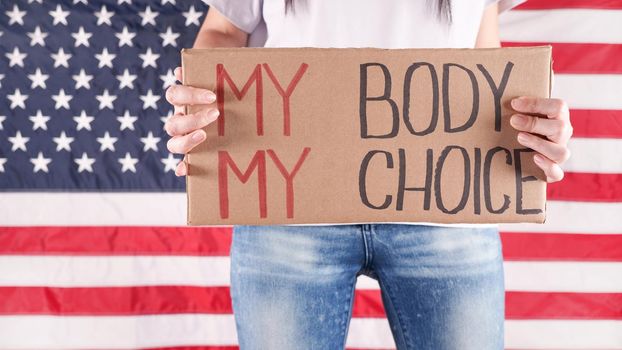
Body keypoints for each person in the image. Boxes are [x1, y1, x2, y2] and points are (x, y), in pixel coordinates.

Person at [163, 1, 573, 349]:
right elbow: (223, 30)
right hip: (291, 211)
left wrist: (526, 123)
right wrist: (199, 103)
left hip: (447, 205)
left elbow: (481, 50)